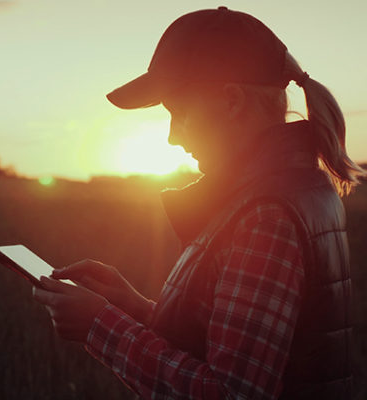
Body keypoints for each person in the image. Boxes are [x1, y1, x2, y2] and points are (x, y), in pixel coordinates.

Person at [33, 6, 365, 399]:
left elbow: (231, 392)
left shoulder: (266, 215)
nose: (173, 137)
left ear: (231, 101)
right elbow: (232, 345)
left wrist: (100, 326)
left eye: (179, 112)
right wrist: (136, 309)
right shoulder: (288, 189)